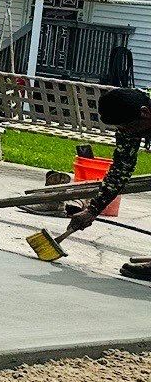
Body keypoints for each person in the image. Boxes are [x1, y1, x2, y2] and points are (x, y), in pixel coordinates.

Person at [63, 86, 151, 282]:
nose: (125, 132)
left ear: (145, 113)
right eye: (120, 129)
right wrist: (93, 210)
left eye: (127, 127)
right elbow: (121, 169)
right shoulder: (131, 125)